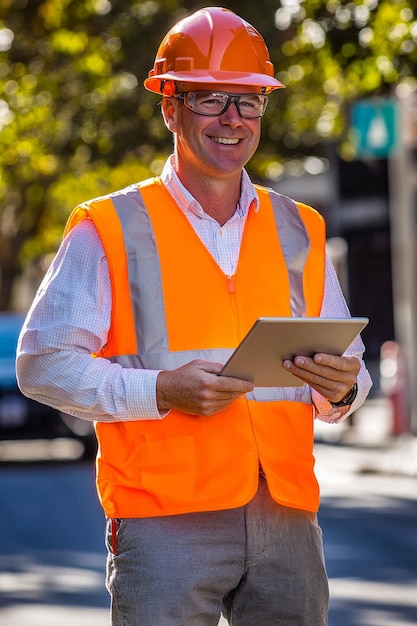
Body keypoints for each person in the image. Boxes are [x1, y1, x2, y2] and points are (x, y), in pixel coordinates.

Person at [16, 7, 372, 625]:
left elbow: (351, 371)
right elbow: (40, 365)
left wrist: (343, 389)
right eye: (211, 99)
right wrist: (160, 390)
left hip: (287, 517)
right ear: (169, 107)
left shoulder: (301, 228)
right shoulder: (109, 227)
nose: (233, 119)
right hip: (164, 520)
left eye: (250, 101)